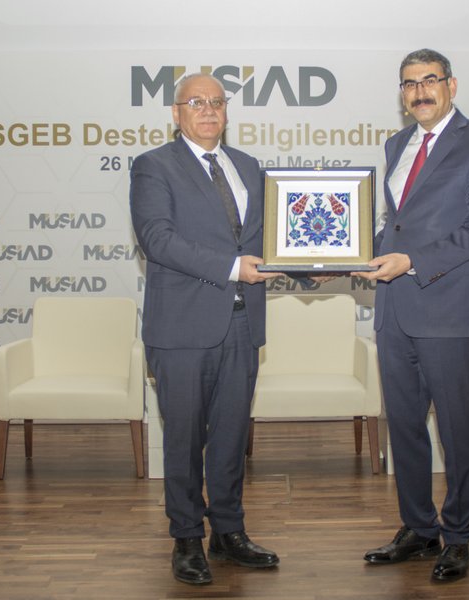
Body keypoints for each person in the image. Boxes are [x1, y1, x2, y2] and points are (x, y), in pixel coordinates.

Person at [353, 48, 469, 582]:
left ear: (451, 85)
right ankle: (419, 528)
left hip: (447, 310)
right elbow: (396, 226)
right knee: (404, 427)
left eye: (429, 80)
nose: (419, 92)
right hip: (395, 310)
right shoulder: (397, 144)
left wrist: (412, 261)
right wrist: (353, 255)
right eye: (409, 83)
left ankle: (459, 535)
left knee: (456, 431)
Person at [130, 73, 281, 586]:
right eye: (196, 102)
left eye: (217, 101)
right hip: (182, 327)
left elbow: (268, 239)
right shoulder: (154, 166)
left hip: (242, 323)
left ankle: (229, 532)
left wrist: (311, 265)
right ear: (176, 114)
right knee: (184, 438)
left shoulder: (248, 166)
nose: (209, 110)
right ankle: (187, 537)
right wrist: (233, 268)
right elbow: (157, 239)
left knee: (231, 437)